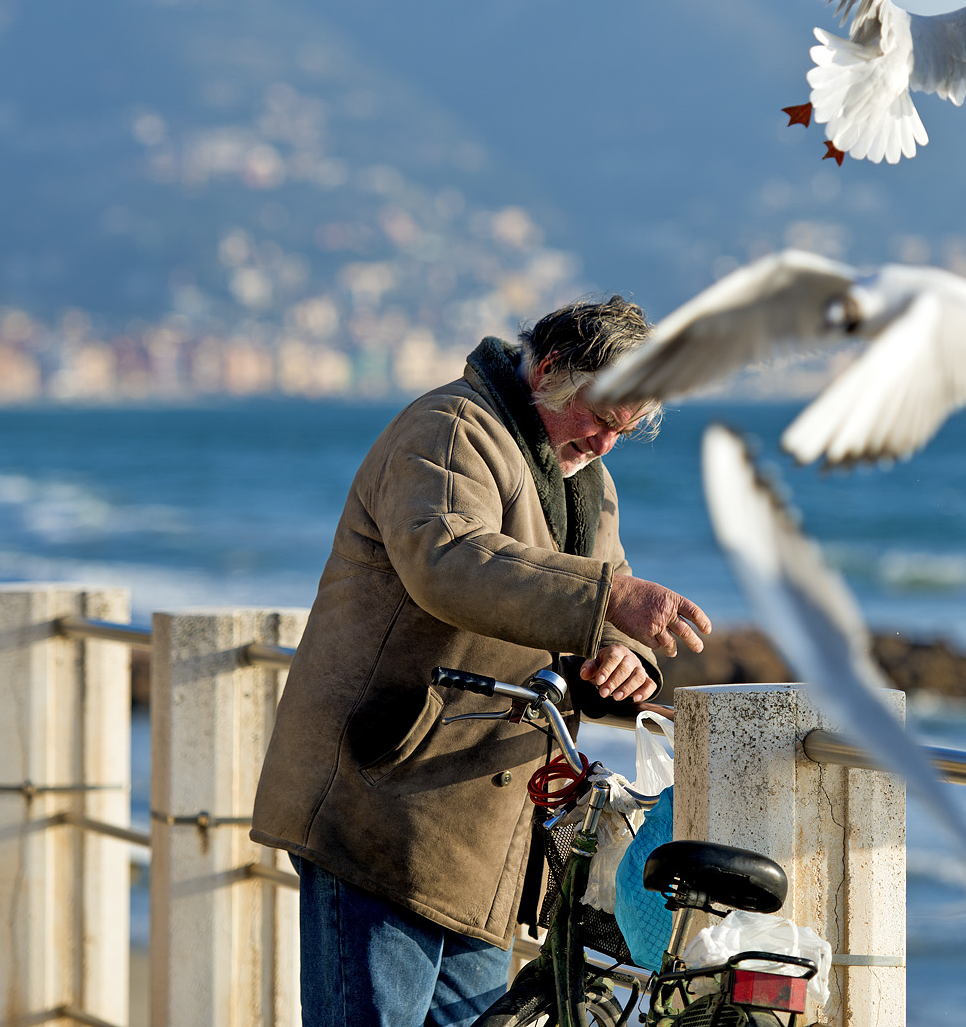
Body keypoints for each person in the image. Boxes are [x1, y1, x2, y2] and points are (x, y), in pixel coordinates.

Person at [250, 295, 712, 1026]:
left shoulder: (584, 478)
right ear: (550, 367)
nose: (603, 443)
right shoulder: (449, 427)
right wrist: (610, 601)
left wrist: (621, 659)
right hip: (383, 805)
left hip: (483, 839)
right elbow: (449, 560)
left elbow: (599, 606)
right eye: (600, 416)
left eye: (624, 429)